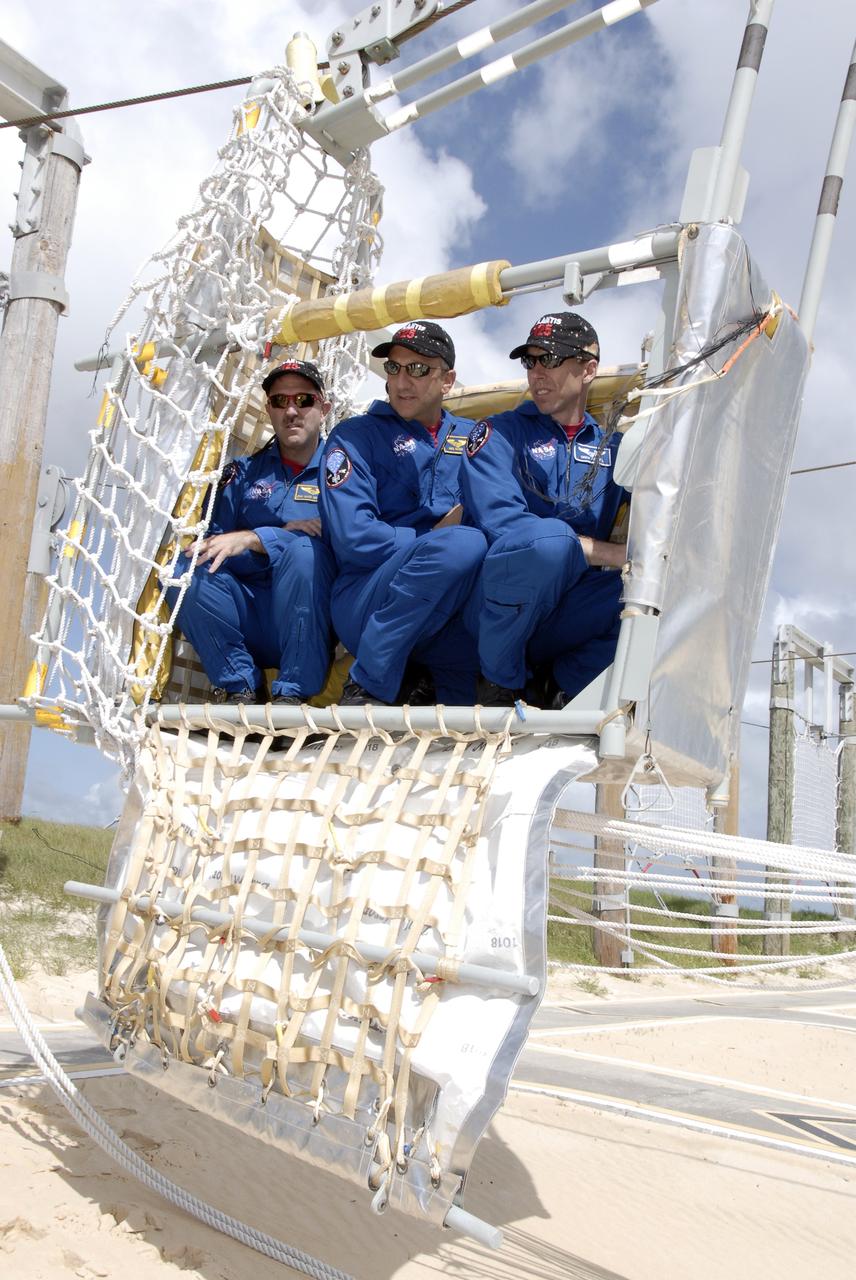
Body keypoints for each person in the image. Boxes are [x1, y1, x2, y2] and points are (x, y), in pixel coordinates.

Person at [461, 311, 628, 707]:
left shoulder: (617, 449)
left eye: (550, 360)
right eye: (530, 361)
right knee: (543, 542)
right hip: (493, 607)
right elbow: (507, 527)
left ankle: (559, 685)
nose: (537, 373)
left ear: (588, 369)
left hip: (565, 605)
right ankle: (497, 681)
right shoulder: (499, 433)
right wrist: (609, 553)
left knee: (654, 594)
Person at [319, 321, 486, 705]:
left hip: (450, 612)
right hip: (368, 596)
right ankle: (368, 683)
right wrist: (435, 539)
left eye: (418, 369)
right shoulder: (354, 436)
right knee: (462, 544)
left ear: (448, 380)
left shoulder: (477, 436)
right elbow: (354, 537)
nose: (401, 381)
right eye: (394, 368)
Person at [166, 359, 335, 705]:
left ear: (324, 408)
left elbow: (345, 544)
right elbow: (215, 544)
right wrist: (264, 543)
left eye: (303, 400)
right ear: (269, 409)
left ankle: (294, 693)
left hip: (313, 620)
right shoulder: (241, 474)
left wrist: (258, 537)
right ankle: (241, 686)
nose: (291, 411)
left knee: (305, 554)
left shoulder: (345, 472)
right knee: (182, 571)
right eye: (279, 401)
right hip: (248, 614)